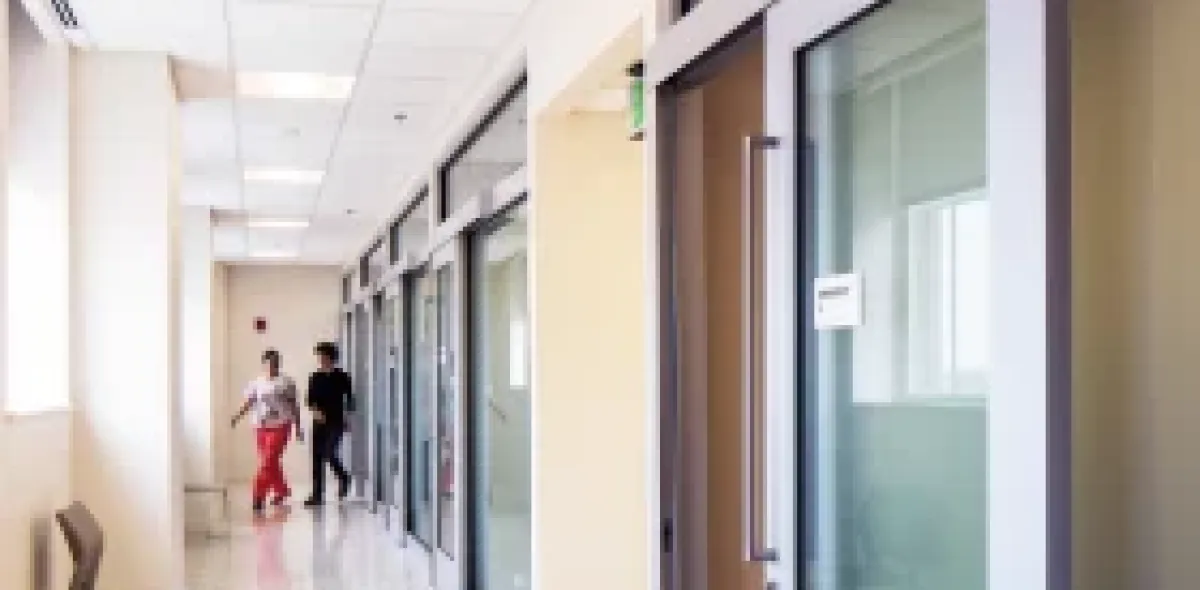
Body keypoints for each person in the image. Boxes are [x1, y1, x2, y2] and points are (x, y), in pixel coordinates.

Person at [231, 349, 303, 513]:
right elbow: (249, 402)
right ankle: (282, 490)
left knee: (268, 460)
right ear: (263, 364)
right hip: (261, 426)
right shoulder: (256, 382)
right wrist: (237, 416)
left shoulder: (286, 382)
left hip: (281, 426)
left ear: (279, 364)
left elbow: (294, 406)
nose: (272, 366)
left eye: (275, 363)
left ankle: (258, 495)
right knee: (269, 461)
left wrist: (298, 427)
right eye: (269, 363)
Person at [304, 341, 354, 507]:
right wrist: (316, 412)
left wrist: (348, 417)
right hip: (319, 421)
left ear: (330, 357)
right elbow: (310, 400)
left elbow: (350, 400)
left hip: (337, 420)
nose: (320, 359)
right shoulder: (315, 377)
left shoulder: (342, 377)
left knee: (329, 451)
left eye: (322, 356)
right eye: (318, 356)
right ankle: (317, 494)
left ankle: (343, 477)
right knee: (317, 457)